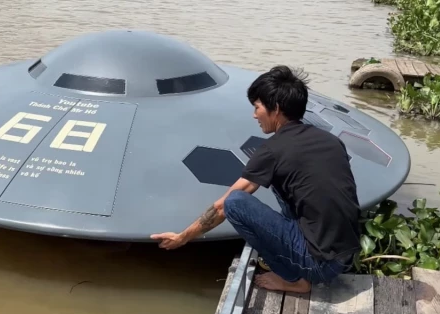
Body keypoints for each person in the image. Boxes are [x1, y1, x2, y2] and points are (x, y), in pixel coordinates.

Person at [150, 65, 361, 293]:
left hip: (319, 265)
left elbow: (222, 207)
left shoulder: (272, 150)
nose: (254, 115)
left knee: (236, 203)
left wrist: (182, 237)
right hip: (346, 254)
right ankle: (301, 254)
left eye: (257, 107)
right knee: (286, 182)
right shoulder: (329, 140)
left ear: (276, 108)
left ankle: (293, 280)